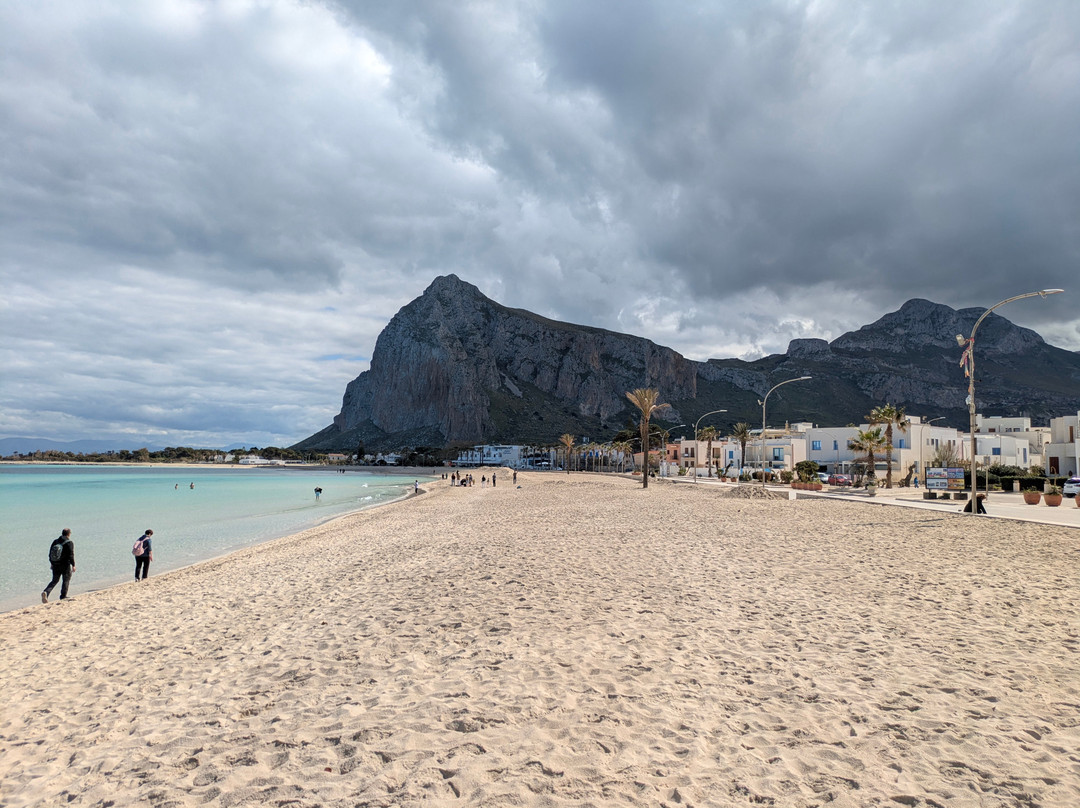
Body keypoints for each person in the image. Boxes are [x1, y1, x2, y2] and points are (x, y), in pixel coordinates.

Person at [42, 528, 75, 603]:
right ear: (69, 534)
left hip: (55, 564)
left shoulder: (55, 541)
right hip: (65, 565)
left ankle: (46, 592)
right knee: (66, 579)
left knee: (55, 580)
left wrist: (52, 564)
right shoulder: (69, 542)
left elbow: (50, 554)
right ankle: (63, 596)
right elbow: (71, 555)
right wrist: (73, 565)